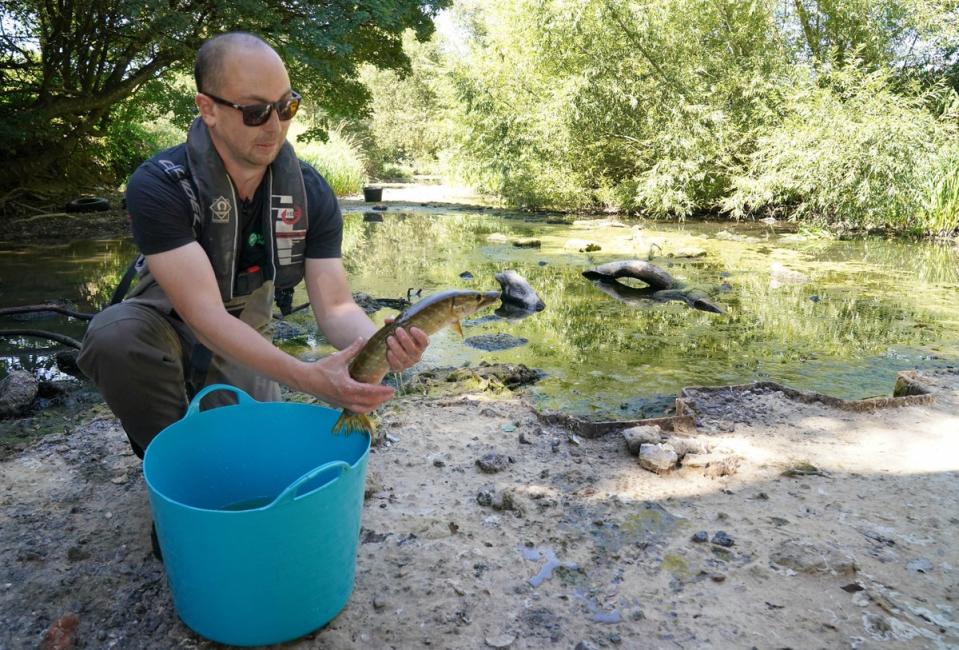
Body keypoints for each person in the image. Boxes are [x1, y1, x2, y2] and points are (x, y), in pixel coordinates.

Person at [77, 31, 429, 463]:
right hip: (165, 320)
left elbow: (336, 307)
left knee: (258, 457)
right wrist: (308, 378)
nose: (274, 125)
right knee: (115, 336)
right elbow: (203, 318)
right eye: (256, 111)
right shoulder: (160, 185)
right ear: (207, 108)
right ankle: (176, 467)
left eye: (286, 107)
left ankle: (216, 457)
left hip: (249, 328)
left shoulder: (311, 192)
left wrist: (382, 343)